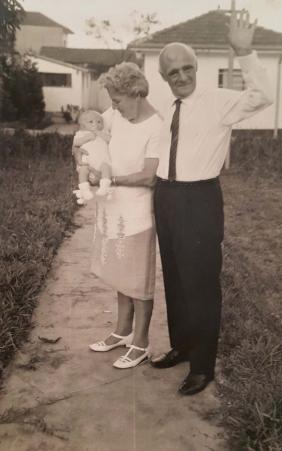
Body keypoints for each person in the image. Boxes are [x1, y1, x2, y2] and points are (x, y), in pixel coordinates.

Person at [150, 10, 273, 395]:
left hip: (199, 199)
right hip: (166, 195)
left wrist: (245, 51)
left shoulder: (218, 100)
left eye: (188, 68)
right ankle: (184, 346)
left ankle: (203, 367)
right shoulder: (167, 106)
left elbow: (263, 96)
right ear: (164, 77)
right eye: (174, 72)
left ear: (197, 68)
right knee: (174, 277)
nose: (183, 76)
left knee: (201, 284)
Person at [74, 62, 162, 368]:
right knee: (120, 274)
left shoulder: (156, 126)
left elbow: (149, 176)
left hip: (136, 214)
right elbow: (90, 134)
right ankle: (123, 331)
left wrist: (111, 179)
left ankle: (141, 342)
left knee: (138, 280)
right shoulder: (117, 116)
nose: (112, 107)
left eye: (117, 100)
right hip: (111, 209)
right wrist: (84, 156)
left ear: (136, 93)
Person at [72, 110, 112, 205]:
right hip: (87, 161)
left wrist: (99, 134)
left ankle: (104, 186)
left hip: (102, 160)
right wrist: (86, 138)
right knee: (83, 171)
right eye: (91, 122)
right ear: (83, 125)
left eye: (99, 121)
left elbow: (110, 140)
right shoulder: (81, 133)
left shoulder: (103, 132)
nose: (96, 124)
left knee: (106, 168)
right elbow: (75, 143)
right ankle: (84, 189)